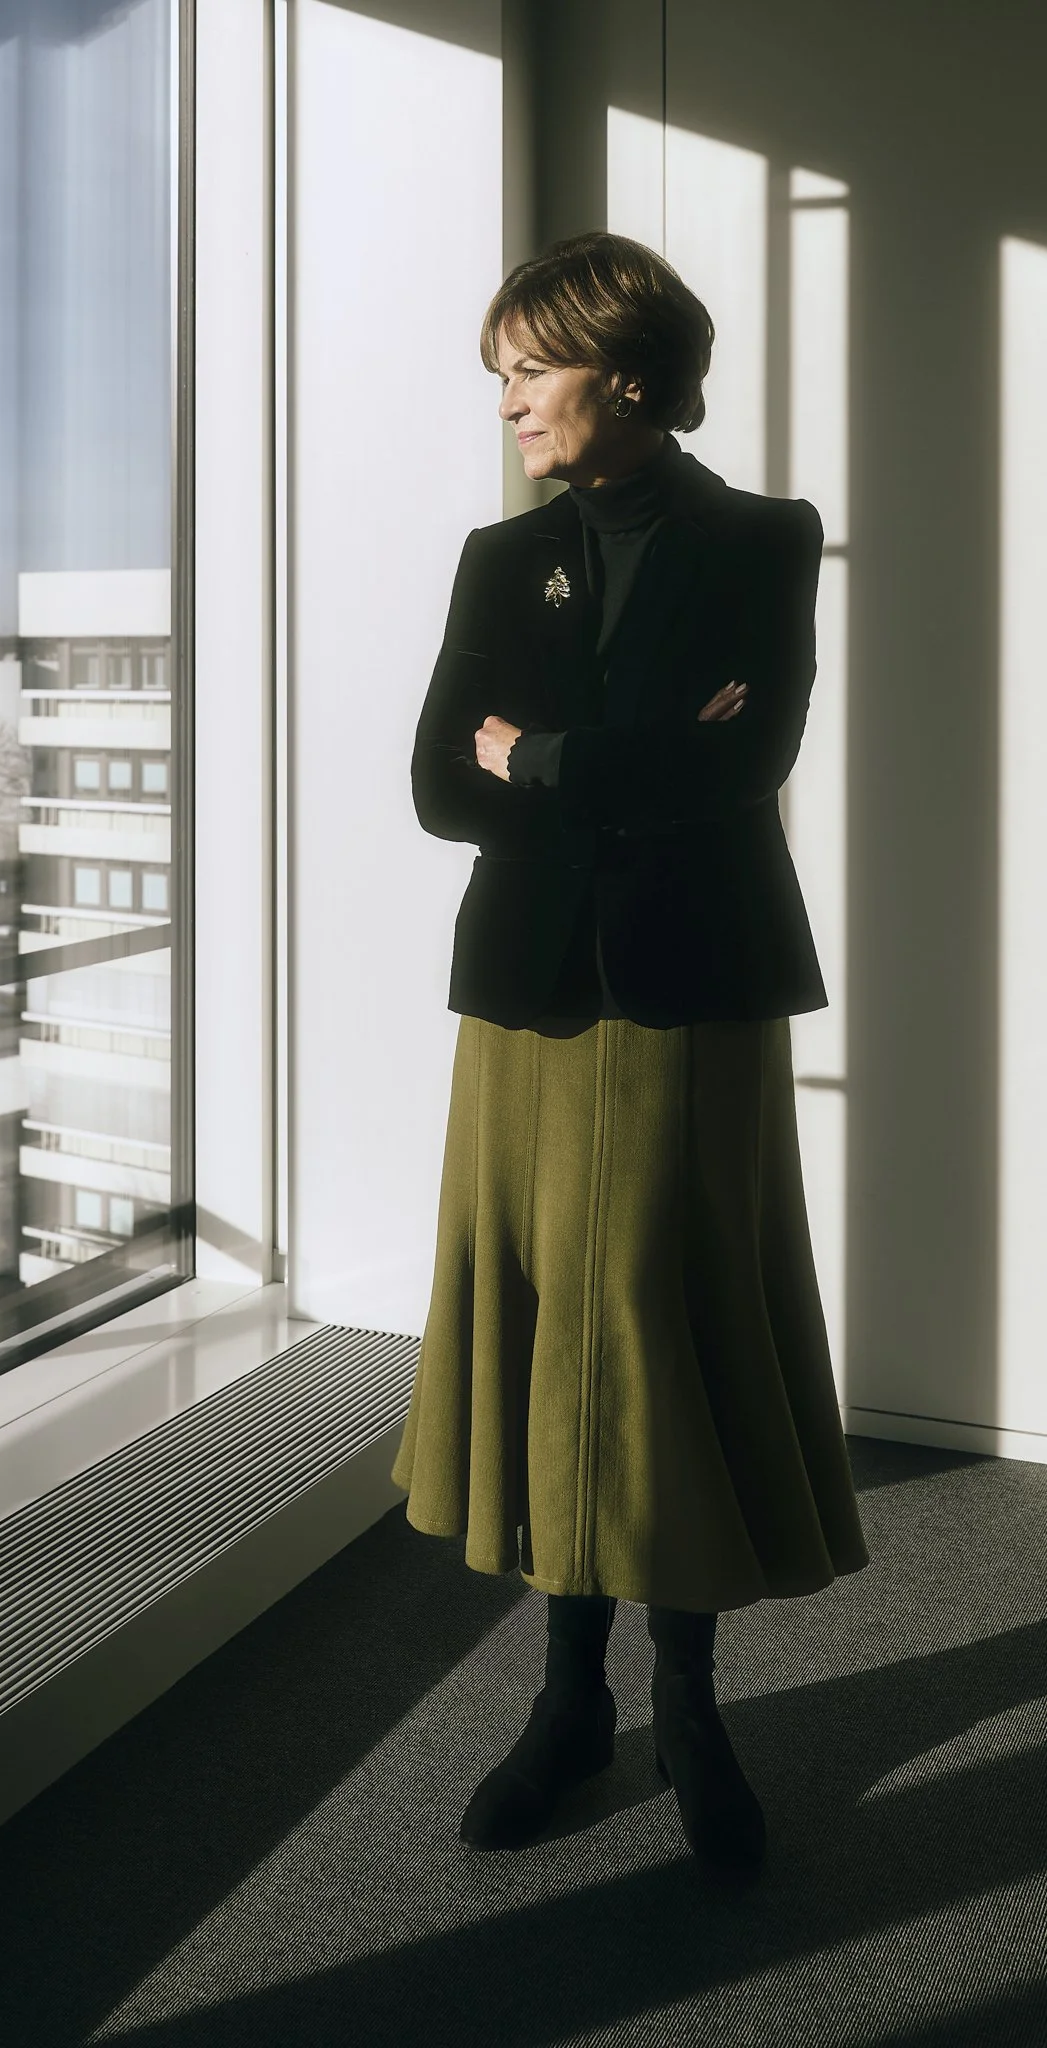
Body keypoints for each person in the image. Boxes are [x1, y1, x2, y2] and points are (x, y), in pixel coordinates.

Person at [390, 231, 869, 1874]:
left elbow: (749, 770)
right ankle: (571, 1699)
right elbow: (441, 790)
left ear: (633, 374)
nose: (510, 400)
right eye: (501, 374)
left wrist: (548, 754)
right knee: (550, 1337)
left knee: (660, 1328)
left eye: (534, 367)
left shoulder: (764, 541)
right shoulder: (490, 557)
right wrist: (622, 762)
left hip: (692, 993)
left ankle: (688, 1698)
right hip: (524, 1000)